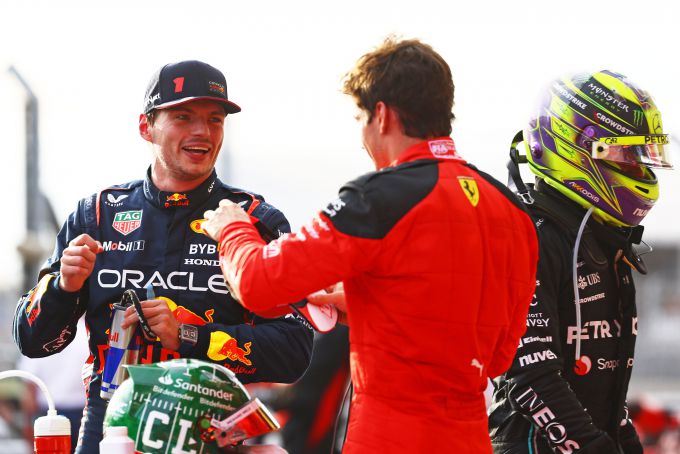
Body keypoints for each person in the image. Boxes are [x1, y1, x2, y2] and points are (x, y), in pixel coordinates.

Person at [202, 37, 539, 453]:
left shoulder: (379, 197)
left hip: (387, 436)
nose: (362, 135)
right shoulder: (513, 210)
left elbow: (256, 282)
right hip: (469, 439)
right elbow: (498, 356)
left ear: (381, 115)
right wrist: (369, 306)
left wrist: (233, 228)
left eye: (361, 117)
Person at [13, 60, 313, 453]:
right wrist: (62, 288)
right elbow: (32, 341)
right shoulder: (96, 215)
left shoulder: (253, 221)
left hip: (212, 436)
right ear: (146, 127)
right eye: (183, 117)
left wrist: (189, 335)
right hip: (108, 432)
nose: (202, 131)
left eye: (215, 119)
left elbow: (294, 352)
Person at [488, 70, 674, 453]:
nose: (639, 169)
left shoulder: (604, 238)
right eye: (626, 154)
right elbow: (530, 375)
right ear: (577, 148)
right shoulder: (531, 237)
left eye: (641, 156)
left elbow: (606, 393)